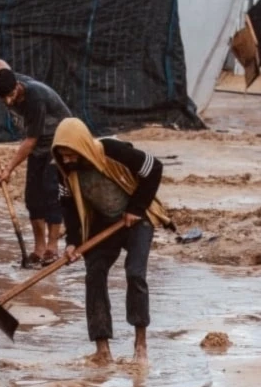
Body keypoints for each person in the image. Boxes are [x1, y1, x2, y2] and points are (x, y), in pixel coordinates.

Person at [52, 118, 173, 366]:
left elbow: (155, 168)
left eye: (70, 154)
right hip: (103, 223)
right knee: (94, 275)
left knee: (135, 273)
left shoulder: (112, 151)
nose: (66, 160)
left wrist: (136, 208)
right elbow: (69, 206)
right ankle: (102, 349)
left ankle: (140, 344)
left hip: (137, 218)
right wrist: (73, 241)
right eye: (61, 155)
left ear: (82, 147)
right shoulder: (64, 171)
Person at [0, 60, 71, 265]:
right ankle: (38, 248)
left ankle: (52, 249)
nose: (8, 101)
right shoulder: (6, 77)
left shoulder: (35, 98)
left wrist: (8, 169)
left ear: (17, 86)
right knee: (33, 197)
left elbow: (30, 141)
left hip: (60, 141)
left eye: (11, 96)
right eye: (3, 98)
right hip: (38, 143)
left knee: (51, 192)